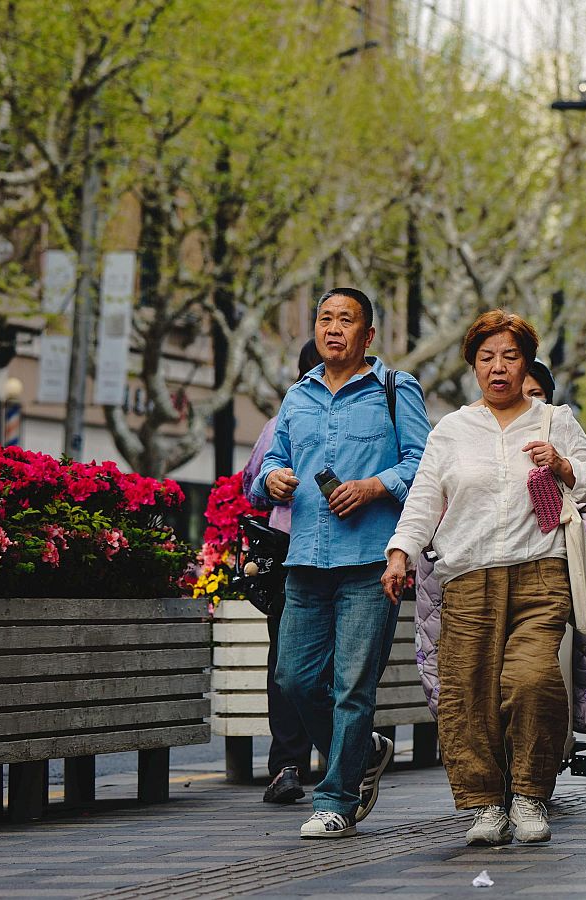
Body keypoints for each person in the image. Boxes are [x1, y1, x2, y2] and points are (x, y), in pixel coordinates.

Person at [383, 310, 586, 846]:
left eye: (510, 356)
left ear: (526, 362)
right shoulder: (453, 430)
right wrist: (400, 554)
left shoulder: (554, 420)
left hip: (541, 573)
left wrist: (562, 465)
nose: (498, 367)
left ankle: (531, 795)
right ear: (473, 365)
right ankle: (484, 804)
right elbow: (422, 500)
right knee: (469, 693)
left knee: (531, 679)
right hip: (468, 577)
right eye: (487, 357)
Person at [253, 287, 431, 839]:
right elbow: (266, 470)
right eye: (324, 318)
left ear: (368, 334)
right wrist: (273, 479)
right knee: (294, 678)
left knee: (353, 685)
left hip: (368, 564)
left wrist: (375, 487)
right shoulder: (297, 397)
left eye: (345, 319)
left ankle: (335, 800)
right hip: (304, 560)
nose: (333, 328)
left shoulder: (397, 391)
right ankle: (362, 750)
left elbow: (425, 466)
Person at [243, 339, 325, 805]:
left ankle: (288, 764)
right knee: (311, 663)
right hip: (320, 557)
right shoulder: (288, 422)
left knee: (288, 659)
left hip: (293, 555)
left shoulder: (280, 424)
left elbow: (251, 486)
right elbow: (258, 484)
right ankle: (331, 760)